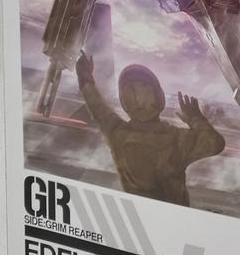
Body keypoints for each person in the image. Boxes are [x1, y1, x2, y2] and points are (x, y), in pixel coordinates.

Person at [75, 51, 224, 206]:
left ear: (124, 102)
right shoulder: (176, 139)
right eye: (132, 89)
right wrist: (196, 118)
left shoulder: (117, 133)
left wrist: (84, 76)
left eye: (142, 88)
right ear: (159, 98)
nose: (137, 95)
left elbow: (96, 106)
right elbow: (215, 144)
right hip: (174, 216)